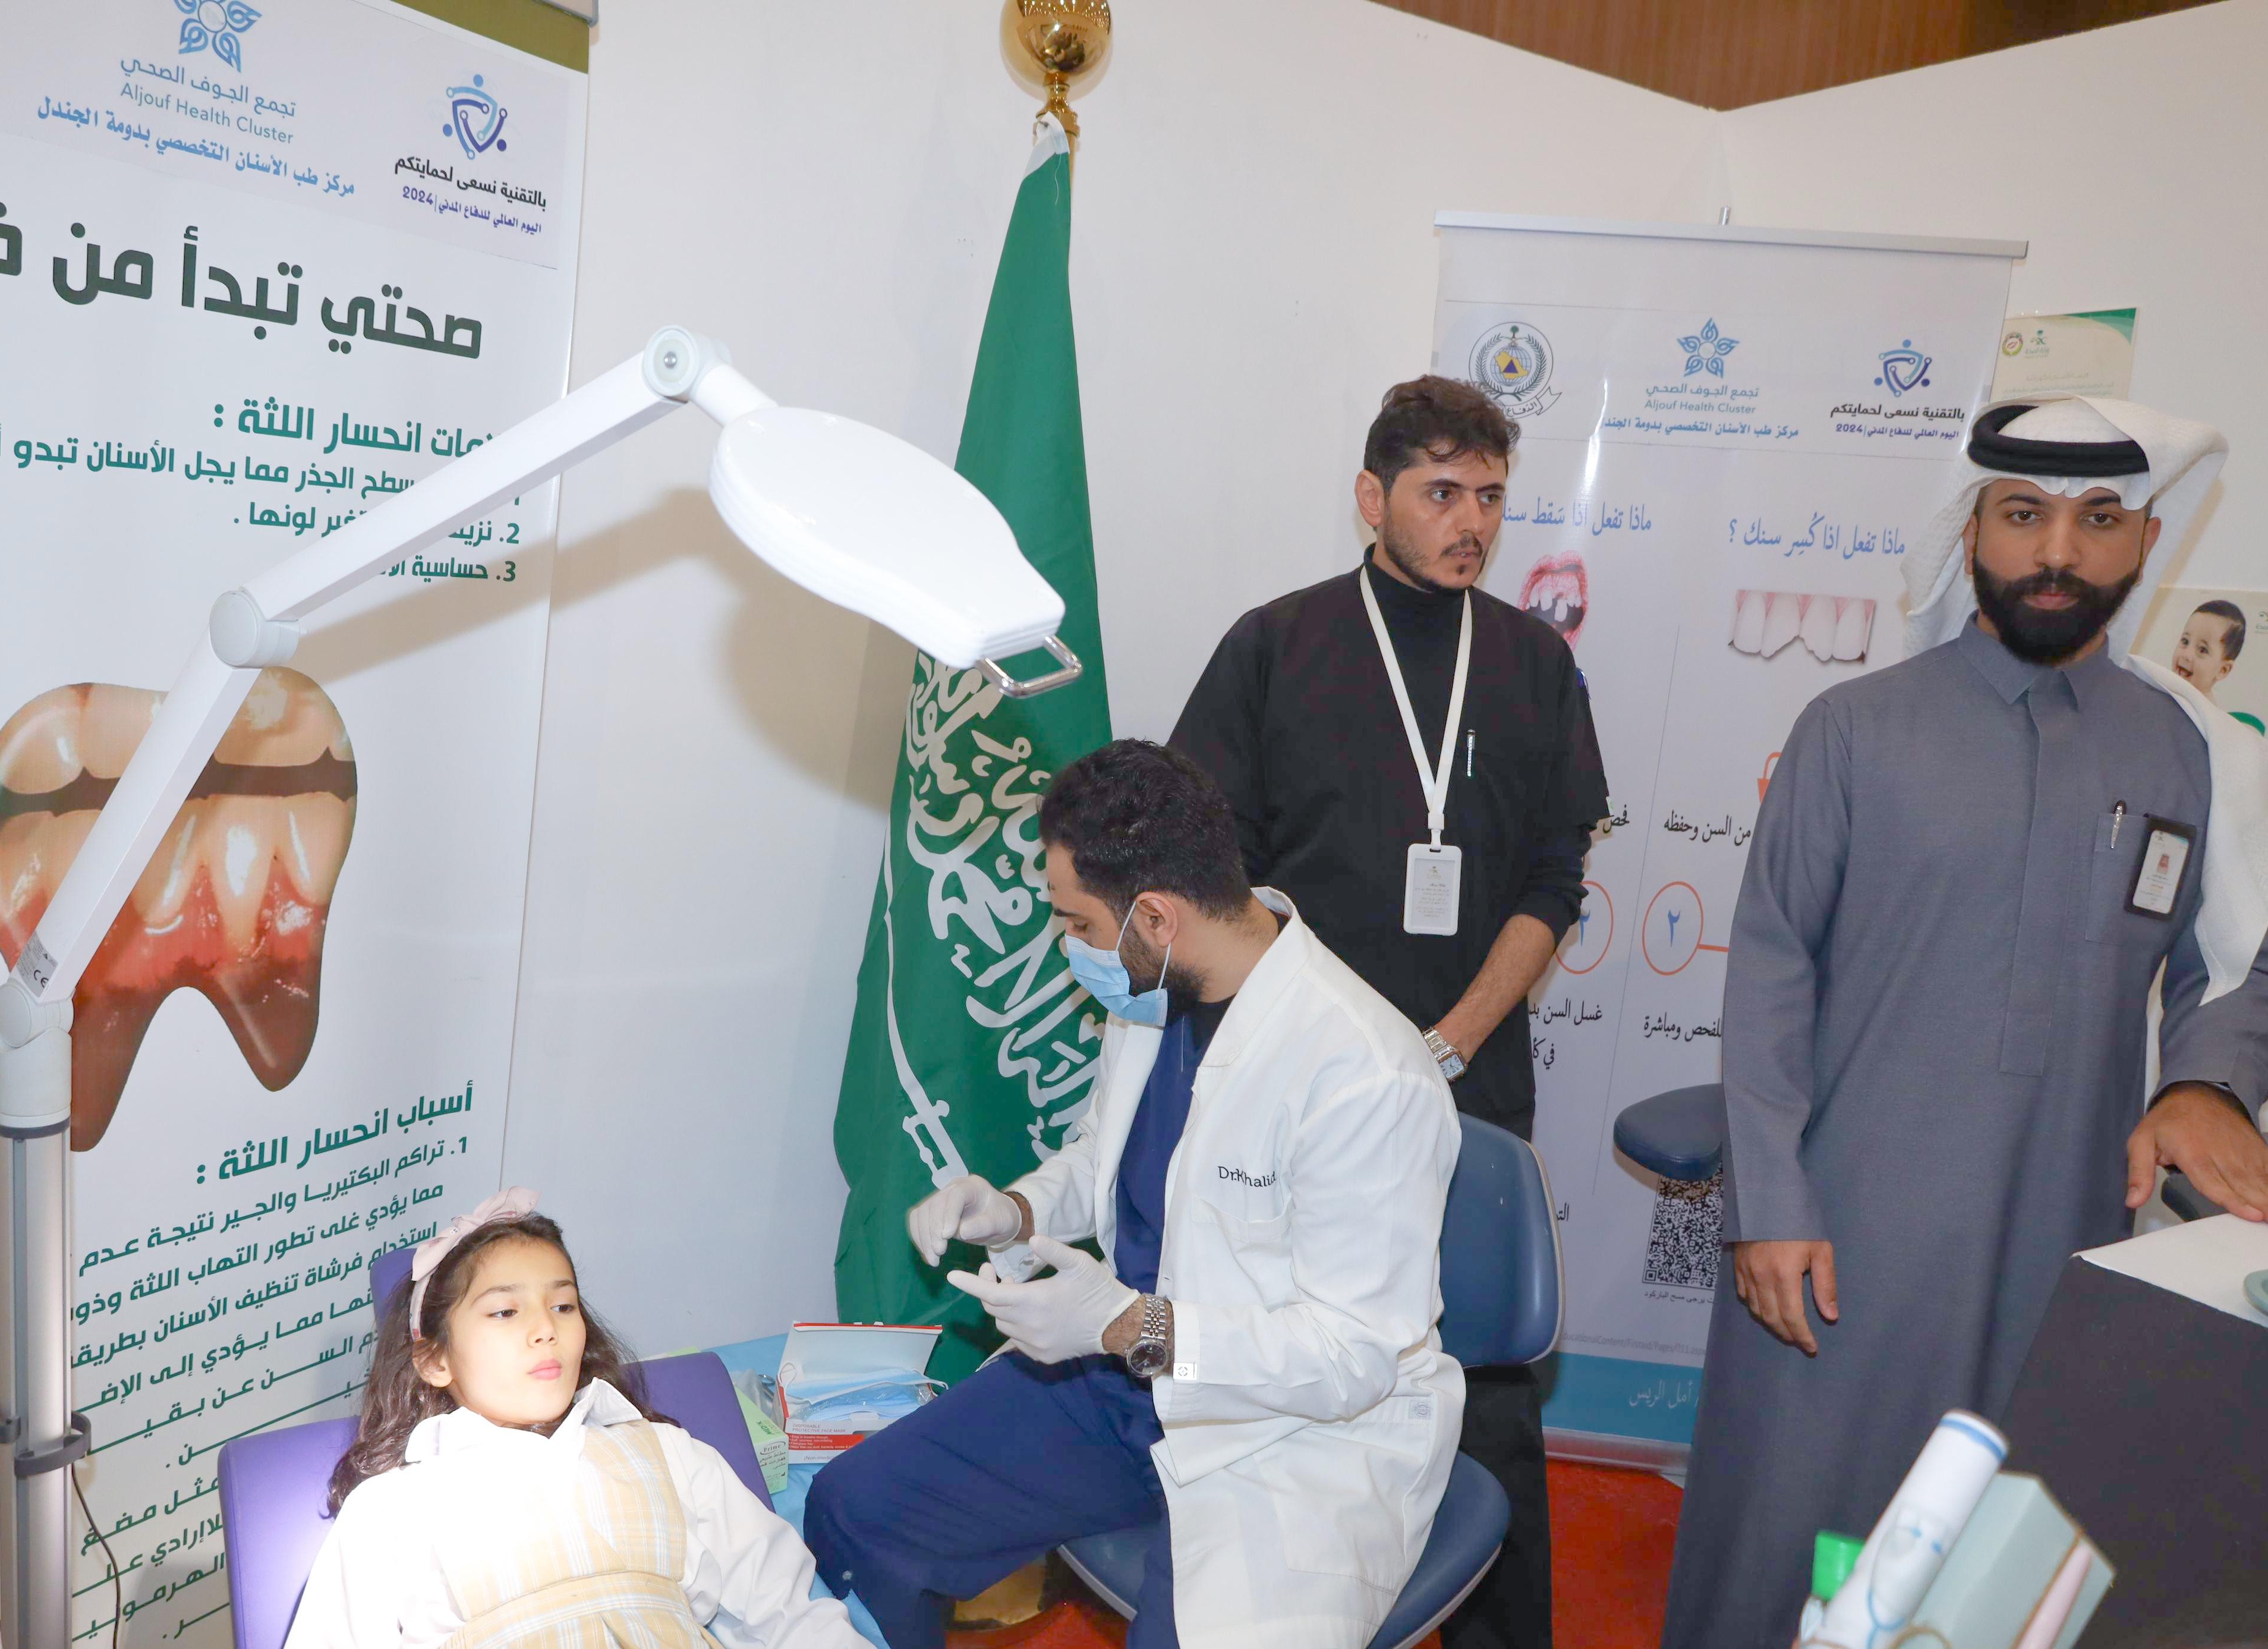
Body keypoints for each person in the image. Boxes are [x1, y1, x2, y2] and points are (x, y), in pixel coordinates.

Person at [1664, 398, 2268, 1647]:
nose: (2057, 549)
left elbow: (2231, 960)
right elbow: (1769, 972)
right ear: (1972, 530)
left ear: (2146, 541)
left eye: (2097, 519)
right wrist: (1770, 1203)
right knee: (1789, 1540)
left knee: (2004, 1563)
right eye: (2023, 513)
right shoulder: (1855, 728)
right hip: (1846, 1229)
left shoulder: (2185, 751)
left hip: (2062, 1240)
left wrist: (2202, 1083)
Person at [804, 739, 1462, 1649]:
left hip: (1294, 1433)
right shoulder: (1155, 994)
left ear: (1155, 915)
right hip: (1121, 1384)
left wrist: (1125, 1323)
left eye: (1077, 923)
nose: (1068, 946)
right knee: (858, 1512)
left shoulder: (1365, 1073)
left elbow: (1350, 1357)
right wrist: (1016, 1209)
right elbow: (1106, 1157)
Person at [1168, 375, 1606, 1649]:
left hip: (1471, 1076)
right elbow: (1216, 882)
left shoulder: (1534, 664)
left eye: (1491, 497)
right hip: (1292, 1090)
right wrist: (1342, 1051)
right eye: (1441, 492)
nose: (1471, 522)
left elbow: (1554, 880)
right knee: (1285, 1359)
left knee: (1486, 1391)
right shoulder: (1275, 645)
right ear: (1372, 497)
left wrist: (1451, 1039)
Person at [287, 1189, 868, 1649]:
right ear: (435, 1360)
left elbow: (792, 1614)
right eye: (505, 1311)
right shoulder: (392, 1509)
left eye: (563, 1305)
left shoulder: (670, 1456)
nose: (546, 1328)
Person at [2174, 597, 2247, 702]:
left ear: (2222, 670)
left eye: (2203, 650)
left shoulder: (2204, 709)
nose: (2187, 655)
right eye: (2185, 641)